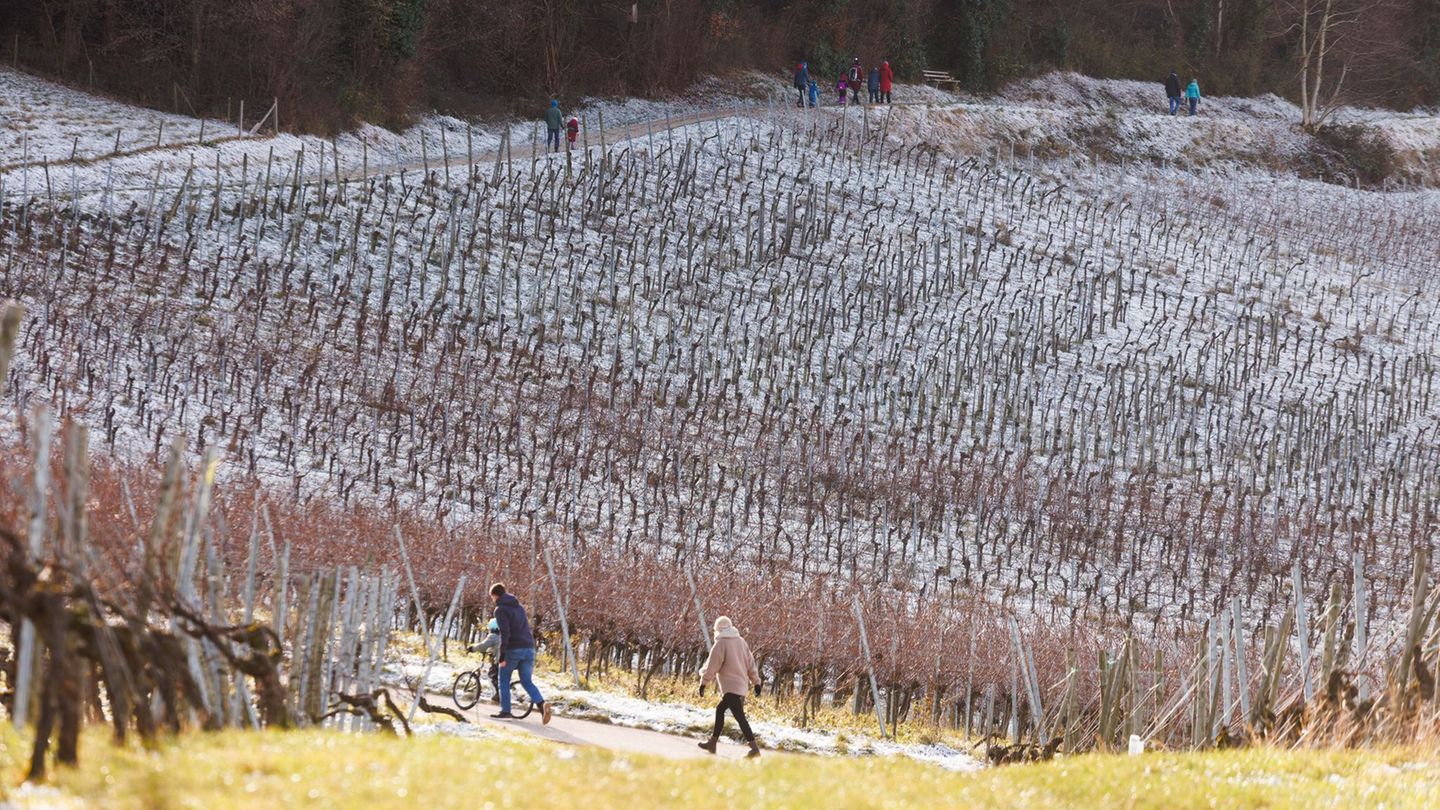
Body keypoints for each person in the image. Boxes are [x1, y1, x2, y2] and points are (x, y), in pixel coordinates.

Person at [697, 616, 763, 758]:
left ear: (717, 629)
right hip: (741, 687)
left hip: (731, 688)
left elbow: (712, 666)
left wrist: (703, 682)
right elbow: (750, 663)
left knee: (740, 718)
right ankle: (712, 743)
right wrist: (756, 682)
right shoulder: (741, 641)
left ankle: (754, 749)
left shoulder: (720, 643)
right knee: (720, 710)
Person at [490, 582, 552, 723]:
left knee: (504, 680)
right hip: (529, 648)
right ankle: (542, 705)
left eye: (492, 598)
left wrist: (502, 655)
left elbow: (505, 633)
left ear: (495, 595)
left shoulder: (500, 609)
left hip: (514, 649)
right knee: (526, 681)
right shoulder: (519, 607)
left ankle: (506, 711)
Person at [468, 618, 503, 697]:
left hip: (499, 660)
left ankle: (496, 695)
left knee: (491, 676)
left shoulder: (493, 636)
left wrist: (472, 649)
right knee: (499, 677)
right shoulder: (502, 636)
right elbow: (496, 646)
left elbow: (482, 646)